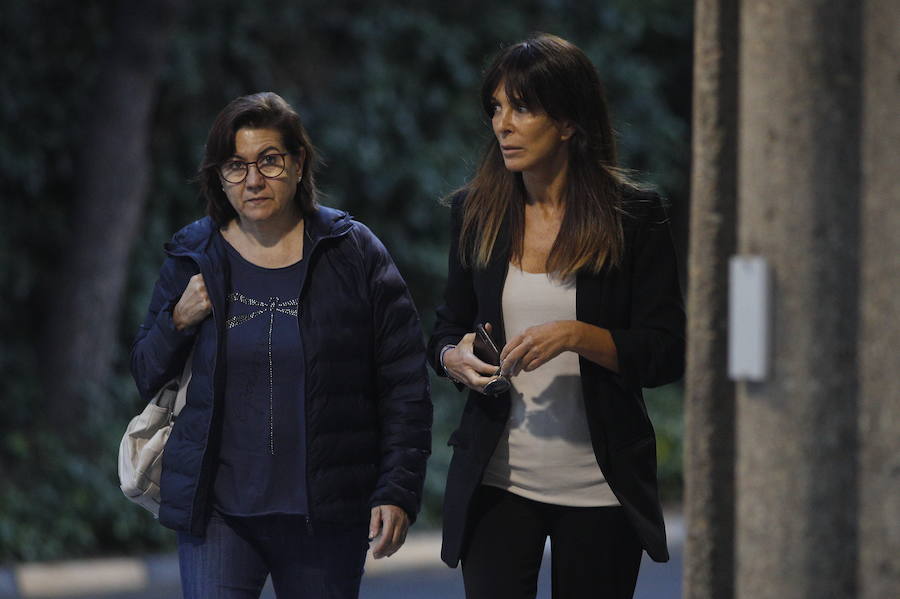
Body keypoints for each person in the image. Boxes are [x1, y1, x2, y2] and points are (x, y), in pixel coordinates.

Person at [131, 92, 432, 599]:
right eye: (235, 165)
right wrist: (176, 321)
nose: (252, 180)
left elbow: (404, 381)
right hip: (219, 514)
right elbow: (144, 372)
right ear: (219, 176)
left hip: (326, 513)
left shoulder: (351, 251)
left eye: (269, 160)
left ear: (298, 163)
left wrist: (397, 489)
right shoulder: (194, 255)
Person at [428, 34, 685, 599]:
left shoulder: (634, 216)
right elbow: (448, 326)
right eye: (496, 108)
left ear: (568, 122)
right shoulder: (477, 212)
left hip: (601, 487)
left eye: (522, 107)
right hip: (498, 481)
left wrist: (577, 335)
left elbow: (668, 351)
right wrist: (453, 357)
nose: (503, 124)